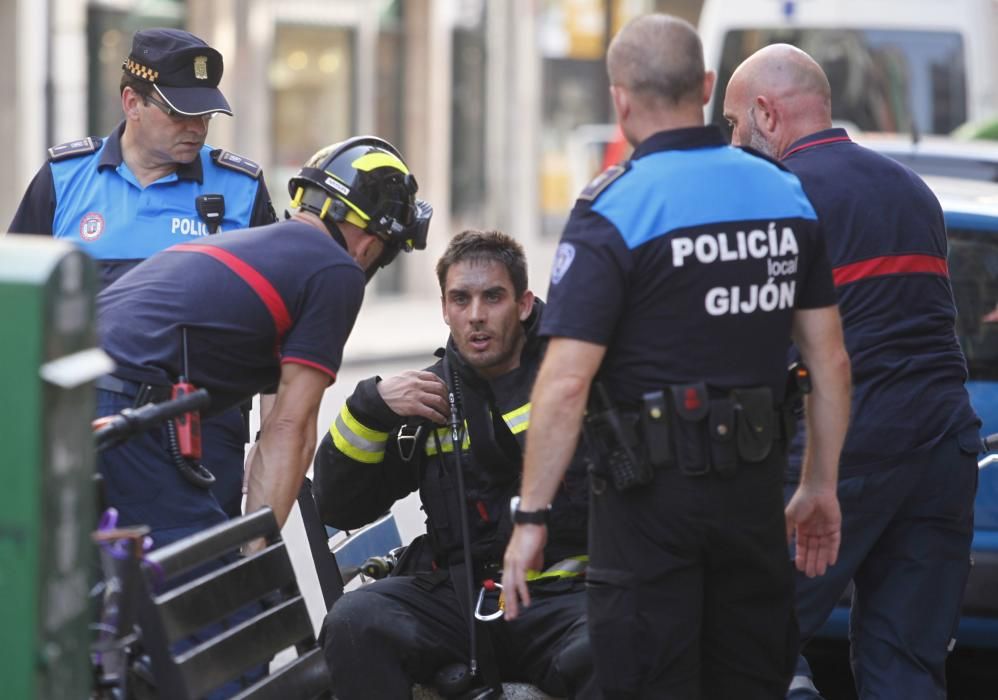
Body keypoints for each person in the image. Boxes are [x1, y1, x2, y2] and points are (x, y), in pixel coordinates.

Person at [501, 15, 852, 699]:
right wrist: (819, 486)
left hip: (647, 516)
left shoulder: (616, 208)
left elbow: (564, 384)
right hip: (753, 504)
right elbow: (830, 363)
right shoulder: (782, 194)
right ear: (708, 85)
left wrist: (531, 519)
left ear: (620, 100)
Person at [723, 44, 981, 699]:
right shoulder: (912, 190)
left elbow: (750, 344)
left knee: (745, 641)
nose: (732, 142)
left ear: (765, 113)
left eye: (732, 124)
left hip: (844, 452)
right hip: (943, 450)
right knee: (906, 666)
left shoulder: (775, 197)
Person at [95, 135, 431, 548]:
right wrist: (256, 555)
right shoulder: (334, 270)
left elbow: (273, 429)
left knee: (115, 587)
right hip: (127, 406)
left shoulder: (261, 251)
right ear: (373, 240)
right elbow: (292, 425)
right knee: (212, 593)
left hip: (76, 395)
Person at [312, 230, 596, 699]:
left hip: (564, 600)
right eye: (461, 299)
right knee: (355, 622)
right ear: (445, 309)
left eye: (493, 297)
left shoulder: (573, 378)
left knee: (615, 647)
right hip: (463, 600)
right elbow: (341, 506)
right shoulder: (430, 396)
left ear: (524, 304)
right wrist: (370, 409)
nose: (477, 316)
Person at [9, 28, 278, 520]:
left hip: (202, 429)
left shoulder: (242, 191)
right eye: (179, 112)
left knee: (197, 582)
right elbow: (18, 308)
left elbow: (279, 330)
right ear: (132, 102)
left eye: (205, 113)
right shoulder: (65, 178)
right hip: (83, 423)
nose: (196, 127)